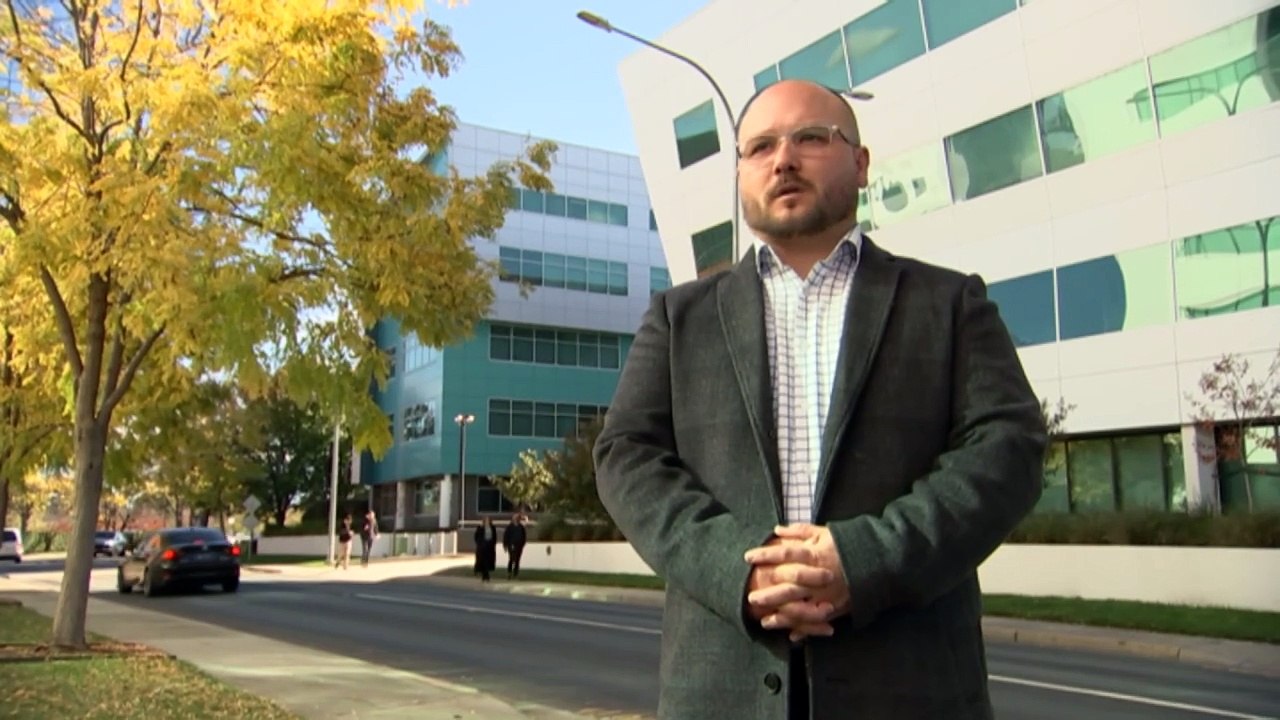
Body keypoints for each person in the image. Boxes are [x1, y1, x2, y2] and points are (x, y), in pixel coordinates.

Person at [593, 79, 1046, 720]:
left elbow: (1009, 447)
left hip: (911, 689)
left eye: (811, 137)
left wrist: (864, 561)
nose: (784, 159)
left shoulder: (948, 304)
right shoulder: (678, 318)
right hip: (719, 691)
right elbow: (626, 457)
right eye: (760, 146)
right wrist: (741, 571)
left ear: (860, 164)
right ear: (743, 172)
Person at [503, 513, 528, 580]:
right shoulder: (510, 527)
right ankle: (509, 572)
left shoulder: (521, 527)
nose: (516, 519)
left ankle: (515, 573)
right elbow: (506, 536)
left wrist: (523, 544)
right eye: (515, 518)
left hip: (519, 546)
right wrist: (505, 545)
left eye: (518, 518)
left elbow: (524, 536)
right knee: (511, 559)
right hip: (511, 545)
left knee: (517, 560)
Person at [473, 516, 498, 582]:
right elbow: (476, 536)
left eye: (488, 520)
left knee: (487, 561)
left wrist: (493, 543)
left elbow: (494, 536)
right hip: (482, 547)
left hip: (489, 547)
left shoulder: (492, 528)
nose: (487, 522)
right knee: (483, 561)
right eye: (486, 520)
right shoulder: (480, 527)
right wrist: (479, 543)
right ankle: (485, 575)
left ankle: (486, 575)